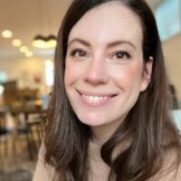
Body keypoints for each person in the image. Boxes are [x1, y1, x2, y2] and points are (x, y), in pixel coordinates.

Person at [33, 0, 181, 180]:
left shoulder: (174, 167)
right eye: (80, 52)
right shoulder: (53, 147)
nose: (94, 75)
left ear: (146, 73)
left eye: (120, 54)